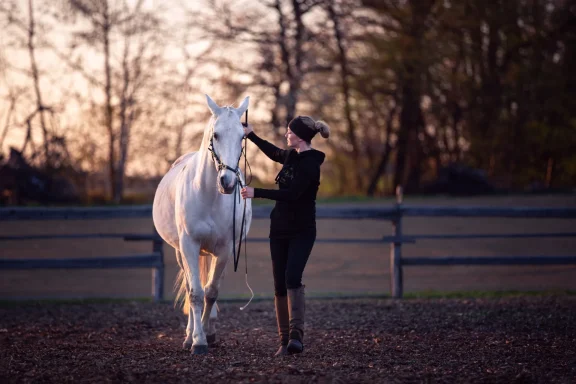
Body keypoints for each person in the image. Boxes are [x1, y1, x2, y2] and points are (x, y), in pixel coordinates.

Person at [240, 116, 330, 356]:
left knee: (292, 277)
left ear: (300, 136)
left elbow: (293, 195)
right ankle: (284, 342)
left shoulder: (311, 164)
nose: (286, 135)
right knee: (279, 284)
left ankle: (296, 337)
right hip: (278, 229)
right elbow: (274, 152)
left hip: (302, 231)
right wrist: (251, 135)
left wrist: (255, 192)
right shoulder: (292, 156)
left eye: (290, 132)